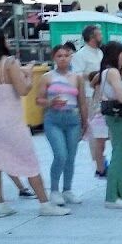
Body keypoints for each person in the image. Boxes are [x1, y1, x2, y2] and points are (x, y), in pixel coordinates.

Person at [0, 28, 69, 217]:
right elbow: (23, 90)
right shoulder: (9, 63)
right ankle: (44, 204)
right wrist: (28, 76)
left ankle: (1, 206)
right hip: (10, 119)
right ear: (0, 42)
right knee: (29, 159)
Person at [37, 44, 88, 206]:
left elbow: (82, 101)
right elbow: (38, 100)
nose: (63, 59)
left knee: (71, 157)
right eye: (59, 56)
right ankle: (54, 190)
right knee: (60, 155)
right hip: (53, 119)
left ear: (71, 57)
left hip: (73, 119)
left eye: (66, 55)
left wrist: (85, 121)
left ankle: (67, 189)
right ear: (54, 58)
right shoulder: (47, 77)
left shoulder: (77, 78)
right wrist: (50, 102)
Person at [98, 42, 122, 210]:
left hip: (115, 115)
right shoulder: (112, 72)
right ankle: (112, 196)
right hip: (117, 115)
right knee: (119, 155)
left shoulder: (109, 71)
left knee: (121, 153)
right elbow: (121, 96)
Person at [70, 24, 106, 176]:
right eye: (99, 34)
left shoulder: (100, 52)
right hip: (89, 94)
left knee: (102, 128)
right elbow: (76, 74)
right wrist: (93, 75)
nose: (101, 37)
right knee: (93, 129)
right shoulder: (81, 54)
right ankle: (98, 162)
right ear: (92, 37)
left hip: (102, 93)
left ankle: (102, 157)